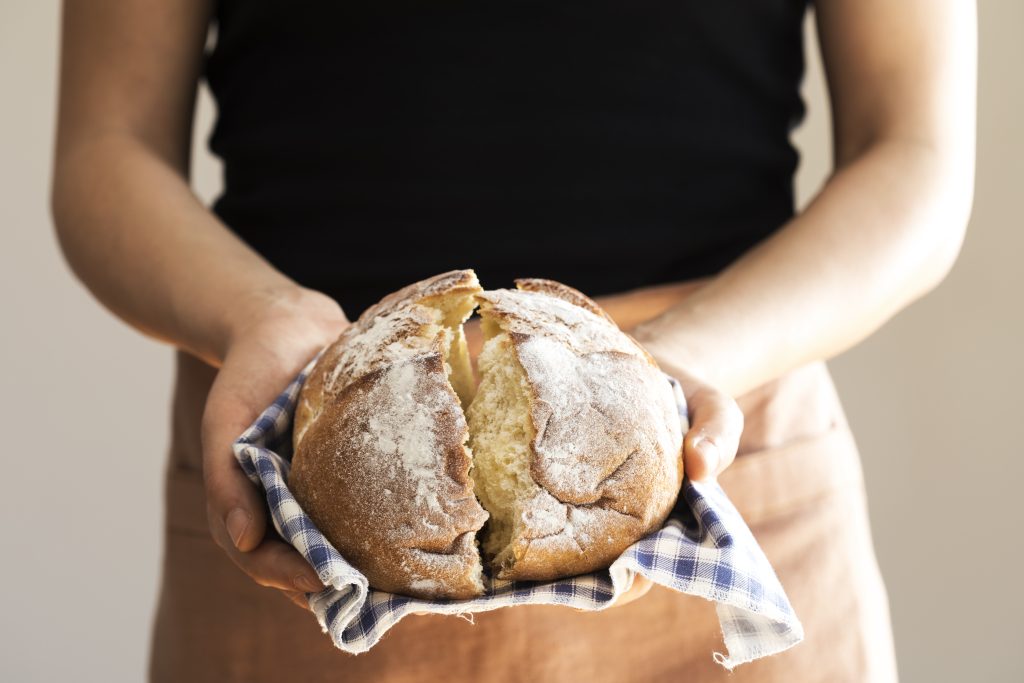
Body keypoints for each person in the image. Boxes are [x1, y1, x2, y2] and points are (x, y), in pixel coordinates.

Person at [51, 1, 975, 681]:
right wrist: (257, 316)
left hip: (714, 441)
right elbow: (106, 148)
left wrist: (679, 368)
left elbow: (915, 155)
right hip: (309, 447)